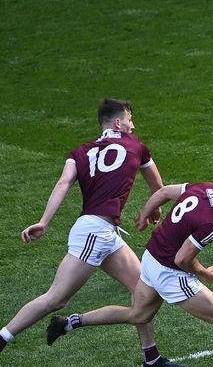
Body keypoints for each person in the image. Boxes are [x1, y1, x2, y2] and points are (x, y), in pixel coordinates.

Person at [0, 99, 184, 367]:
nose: (134, 127)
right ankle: (3, 337)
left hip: (104, 232)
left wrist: (44, 221)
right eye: (131, 121)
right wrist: (154, 209)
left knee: (144, 289)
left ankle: (151, 358)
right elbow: (158, 186)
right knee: (55, 298)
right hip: (95, 233)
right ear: (119, 123)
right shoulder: (136, 145)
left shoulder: (79, 152)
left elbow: (64, 182)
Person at [47, 166, 213, 367]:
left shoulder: (205, 187)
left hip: (151, 258)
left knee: (138, 315)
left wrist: (145, 213)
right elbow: (182, 259)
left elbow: (164, 193)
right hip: (169, 271)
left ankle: (70, 323)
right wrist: (204, 272)